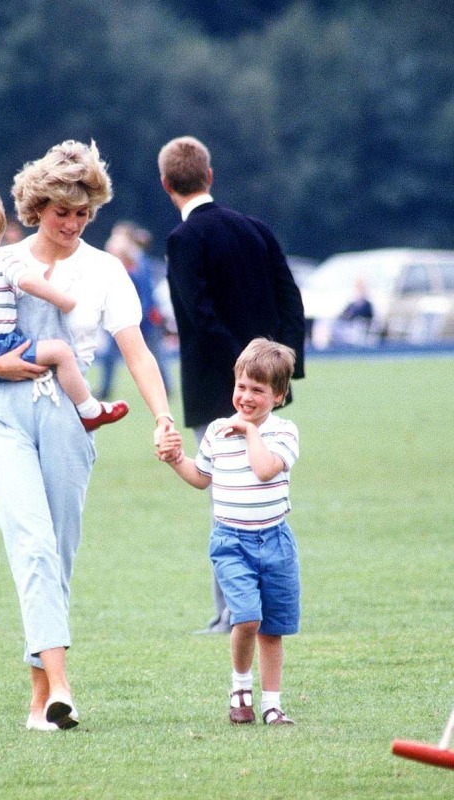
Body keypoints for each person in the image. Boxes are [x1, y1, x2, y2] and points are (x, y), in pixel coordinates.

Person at [0, 140, 177, 731]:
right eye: (63, 212)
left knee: (57, 554)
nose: (73, 224)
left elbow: (137, 353)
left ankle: (42, 701)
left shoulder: (105, 270)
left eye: (84, 213)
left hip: (69, 413)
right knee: (32, 544)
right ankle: (63, 687)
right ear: (35, 207)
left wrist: (163, 416)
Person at [158, 135, 306, 634]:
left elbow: (198, 317)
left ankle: (231, 613)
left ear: (165, 185)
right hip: (266, 389)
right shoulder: (256, 228)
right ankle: (251, 605)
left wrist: (239, 381)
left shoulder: (183, 241)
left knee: (226, 497)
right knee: (261, 493)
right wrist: (279, 370)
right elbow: (290, 298)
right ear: (210, 176)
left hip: (221, 389)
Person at [157, 338, 300, 726]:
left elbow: (266, 469)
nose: (246, 397)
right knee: (247, 617)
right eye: (241, 387)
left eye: (258, 390)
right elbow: (200, 478)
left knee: (273, 629)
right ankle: (240, 686)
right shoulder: (218, 432)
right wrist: (175, 460)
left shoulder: (284, 433)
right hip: (231, 542)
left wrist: (250, 431)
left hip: (276, 542)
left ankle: (272, 704)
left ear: (279, 395)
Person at [0, 183, 128, 433]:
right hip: (0, 347)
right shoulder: (4, 259)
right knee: (60, 352)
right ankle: (89, 409)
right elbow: (28, 281)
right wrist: (63, 301)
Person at [97, 222, 173, 400]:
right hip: (121, 320)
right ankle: (104, 390)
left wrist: (140, 317)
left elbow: (146, 295)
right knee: (109, 356)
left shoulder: (139, 263)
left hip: (144, 320)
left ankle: (166, 388)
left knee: (155, 356)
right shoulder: (115, 265)